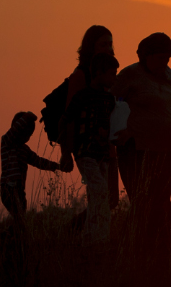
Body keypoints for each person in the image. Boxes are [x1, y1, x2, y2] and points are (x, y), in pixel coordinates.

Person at [113, 32, 171, 241]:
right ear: (146, 56)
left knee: (161, 198)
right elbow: (112, 103)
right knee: (143, 199)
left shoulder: (166, 78)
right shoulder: (130, 76)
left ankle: (158, 245)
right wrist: (123, 130)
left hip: (168, 149)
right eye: (161, 57)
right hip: (138, 148)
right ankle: (137, 245)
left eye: (168, 58)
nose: (165, 62)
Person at [62, 53, 119, 244]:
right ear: (99, 73)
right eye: (111, 74)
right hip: (85, 153)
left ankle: (96, 237)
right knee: (100, 190)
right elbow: (66, 121)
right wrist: (66, 153)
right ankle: (96, 236)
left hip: (103, 154)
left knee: (99, 195)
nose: (114, 78)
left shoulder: (109, 99)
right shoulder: (83, 96)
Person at [64, 26, 120, 208]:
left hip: (108, 148)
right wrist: (66, 152)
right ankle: (89, 227)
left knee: (111, 200)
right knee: (100, 194)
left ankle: (90, 226)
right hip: (87, 149)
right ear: (91, 47)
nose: (108, 48)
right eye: (103, 44)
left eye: (110, 44)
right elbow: (69, 117)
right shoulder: (81, 76)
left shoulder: (110, 77)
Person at [0, 112, 68, 222]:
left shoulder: (25, 149)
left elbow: (38, 161)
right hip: (9, 187)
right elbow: (15, 129)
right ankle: (12, 231)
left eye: (29, 135)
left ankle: (12, 232)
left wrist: (57, 166)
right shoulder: (7, 142)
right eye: (25, 134)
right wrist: (27, 117)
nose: (26, 138)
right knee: (19, 217)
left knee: (20, 217)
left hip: (19, 189)